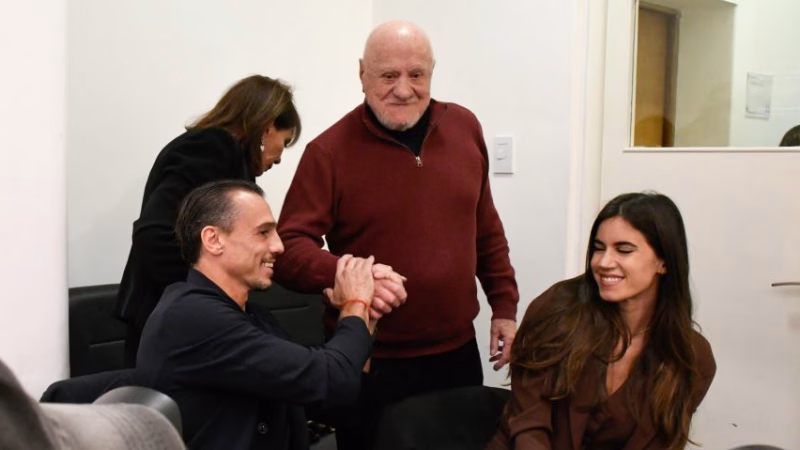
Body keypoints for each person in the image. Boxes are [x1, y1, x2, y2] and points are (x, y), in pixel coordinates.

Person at [273, 20, 519, 448]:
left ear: (431, 72)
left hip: (457, 356)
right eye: (388, 75)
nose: (403, 90)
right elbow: (288, 249)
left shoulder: (465, 127)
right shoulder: (328, 153)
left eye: (416, 74)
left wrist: (504, 306)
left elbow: (486, 228)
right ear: (362, 74)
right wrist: (350, 273)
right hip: (371, 361)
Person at [136, 180, 376, 450]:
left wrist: (365, 317)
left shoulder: (253, 316)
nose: (279, 246)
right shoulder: (192, 317)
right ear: (213, 240)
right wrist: (356, 302)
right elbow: (332, 380)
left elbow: (332, 398)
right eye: (263, 233)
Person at [487, 192, 716, 450]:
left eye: (624, 250)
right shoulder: (558, 310)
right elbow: (529, 423)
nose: (604, 262)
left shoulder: (692, 357)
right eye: (598, 248)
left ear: (663, 262)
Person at [115, 75, 302, 366]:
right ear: (267, 128)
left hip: (179, 321)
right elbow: (152, 236)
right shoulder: (212, 148)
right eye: (285, 141)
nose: (279, 158)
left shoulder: (219, 152)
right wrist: (210, 297)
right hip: (175, 327)